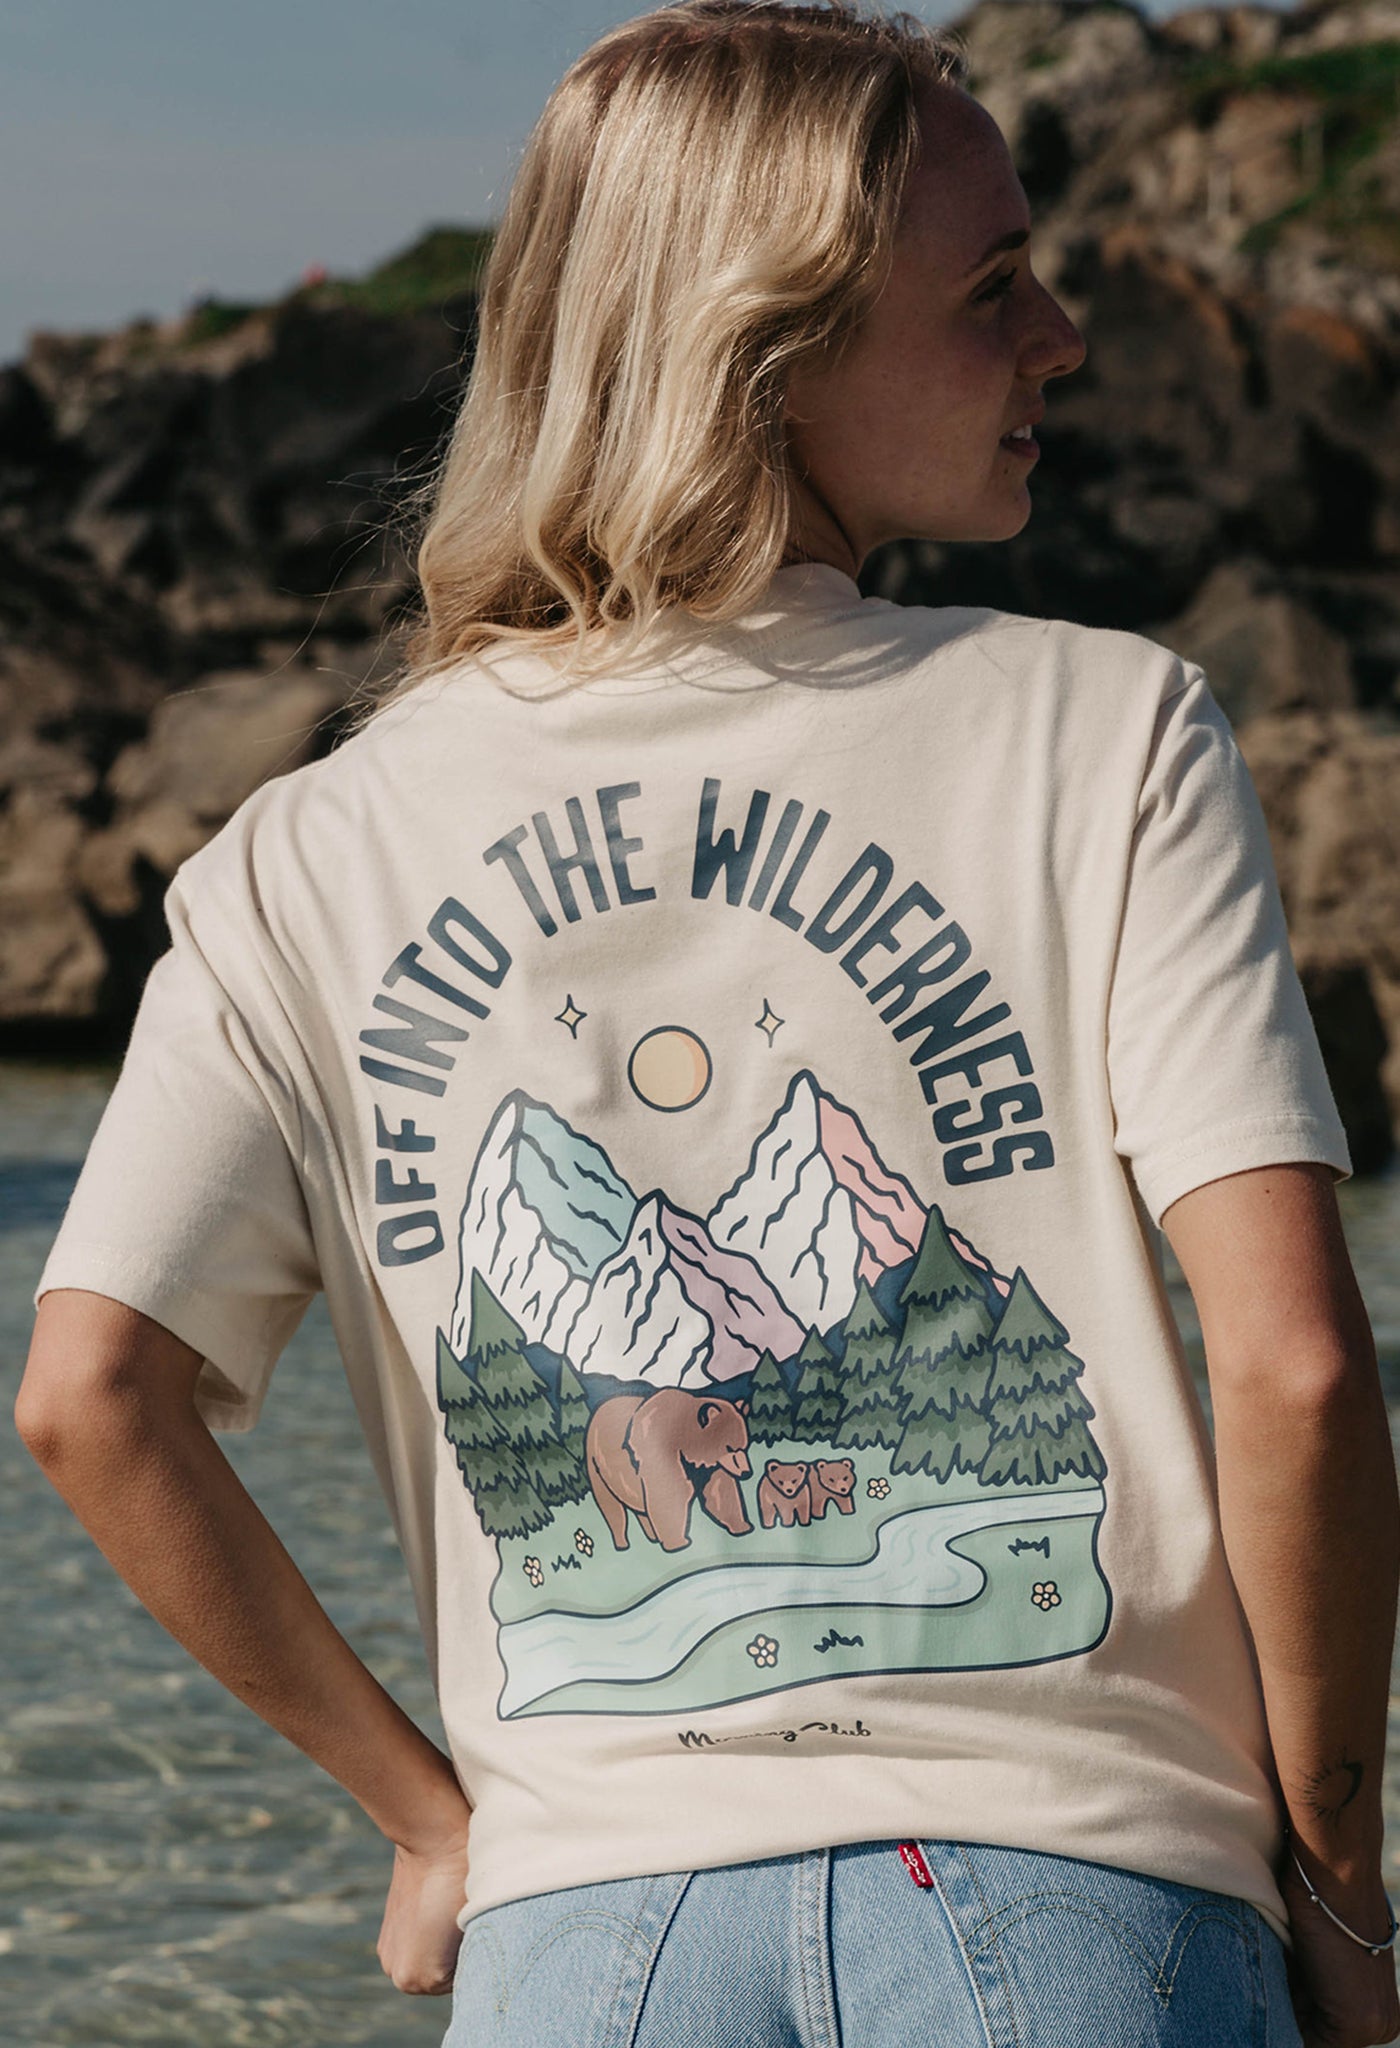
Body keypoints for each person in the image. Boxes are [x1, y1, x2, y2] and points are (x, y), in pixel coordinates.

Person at [15, 4, 1400, 2044]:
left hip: (585, 1941)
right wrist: (1343, 1890)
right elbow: (1285, 1367)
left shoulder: (303, 853)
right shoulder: (1103, 733)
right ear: (770, 346)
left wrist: (425, 1819)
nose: (1061, 344)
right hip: (1088, 1909)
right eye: (994, 287)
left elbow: (86, 1396)